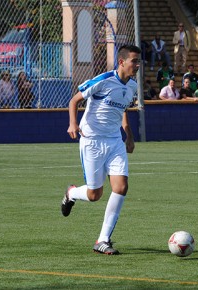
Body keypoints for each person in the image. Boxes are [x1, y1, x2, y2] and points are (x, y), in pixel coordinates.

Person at [62, 44, 141, 255]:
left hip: (115, 141)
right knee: (94, 194)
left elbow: (122, 110)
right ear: (122, 61)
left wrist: (129, 135)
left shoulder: (132, 86)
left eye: (139, 61)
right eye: (134, 61)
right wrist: (72, 123)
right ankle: (71, 193)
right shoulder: (104, 80)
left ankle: (103, 240)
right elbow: (74, 100)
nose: (138, 65)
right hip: (93, 141)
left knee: (121, 187)